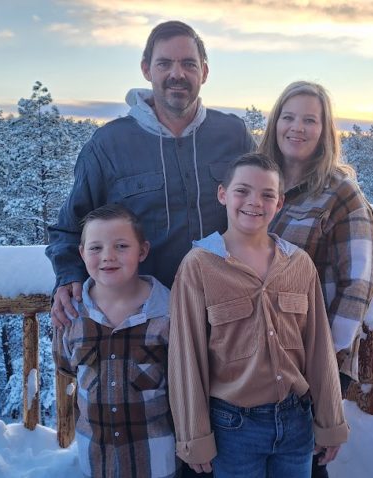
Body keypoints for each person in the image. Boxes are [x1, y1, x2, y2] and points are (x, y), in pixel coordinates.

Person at [46, 20, 255, 327]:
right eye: (164, 63)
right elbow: (70, 227)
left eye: (188, 64)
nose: (177, 74)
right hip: (141, 324)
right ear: (146, 69)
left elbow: (270, 205)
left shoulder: (233, 136)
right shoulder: (109, 145)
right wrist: (68, 275)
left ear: (205, 72)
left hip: (224, 317)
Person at [168, 153, 349, 477]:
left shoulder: (299, 264)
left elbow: (319, 347)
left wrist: (330, 420)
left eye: (267, 195)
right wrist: (194, 436)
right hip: (233, 429)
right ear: (223, 194)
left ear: (279, 203)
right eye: (243, 191)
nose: (254, 202)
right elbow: (186, 357)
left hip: (297, 424)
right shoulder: (199, 266)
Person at [260, 81, 373, 477]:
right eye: (289, 117)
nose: (297, 127)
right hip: (254, 363)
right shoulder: (259, 183)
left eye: (310, 120)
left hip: (311, 366)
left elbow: (357, 286)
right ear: (275, 123)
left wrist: (325, 368)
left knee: (305, 465)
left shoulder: (340, 194)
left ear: (325, 130)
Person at [54, 204, 178, 478]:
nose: (108, 256)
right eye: (96, 248)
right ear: (81, 253)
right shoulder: (72, 316)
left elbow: (184, 386)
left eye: (121, 246)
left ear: (142, 251)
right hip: (96, 461)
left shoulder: (168, 315)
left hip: (156, 462)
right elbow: (66, 365)